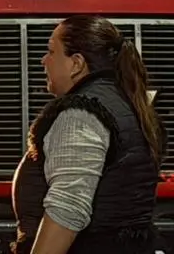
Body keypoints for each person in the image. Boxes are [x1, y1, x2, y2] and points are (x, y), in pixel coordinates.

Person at [12, 16, 167, 254]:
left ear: (77, 63)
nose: (44, 61)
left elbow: (67, 210)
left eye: (52, 52)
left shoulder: (81, 113)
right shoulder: (129, 104)